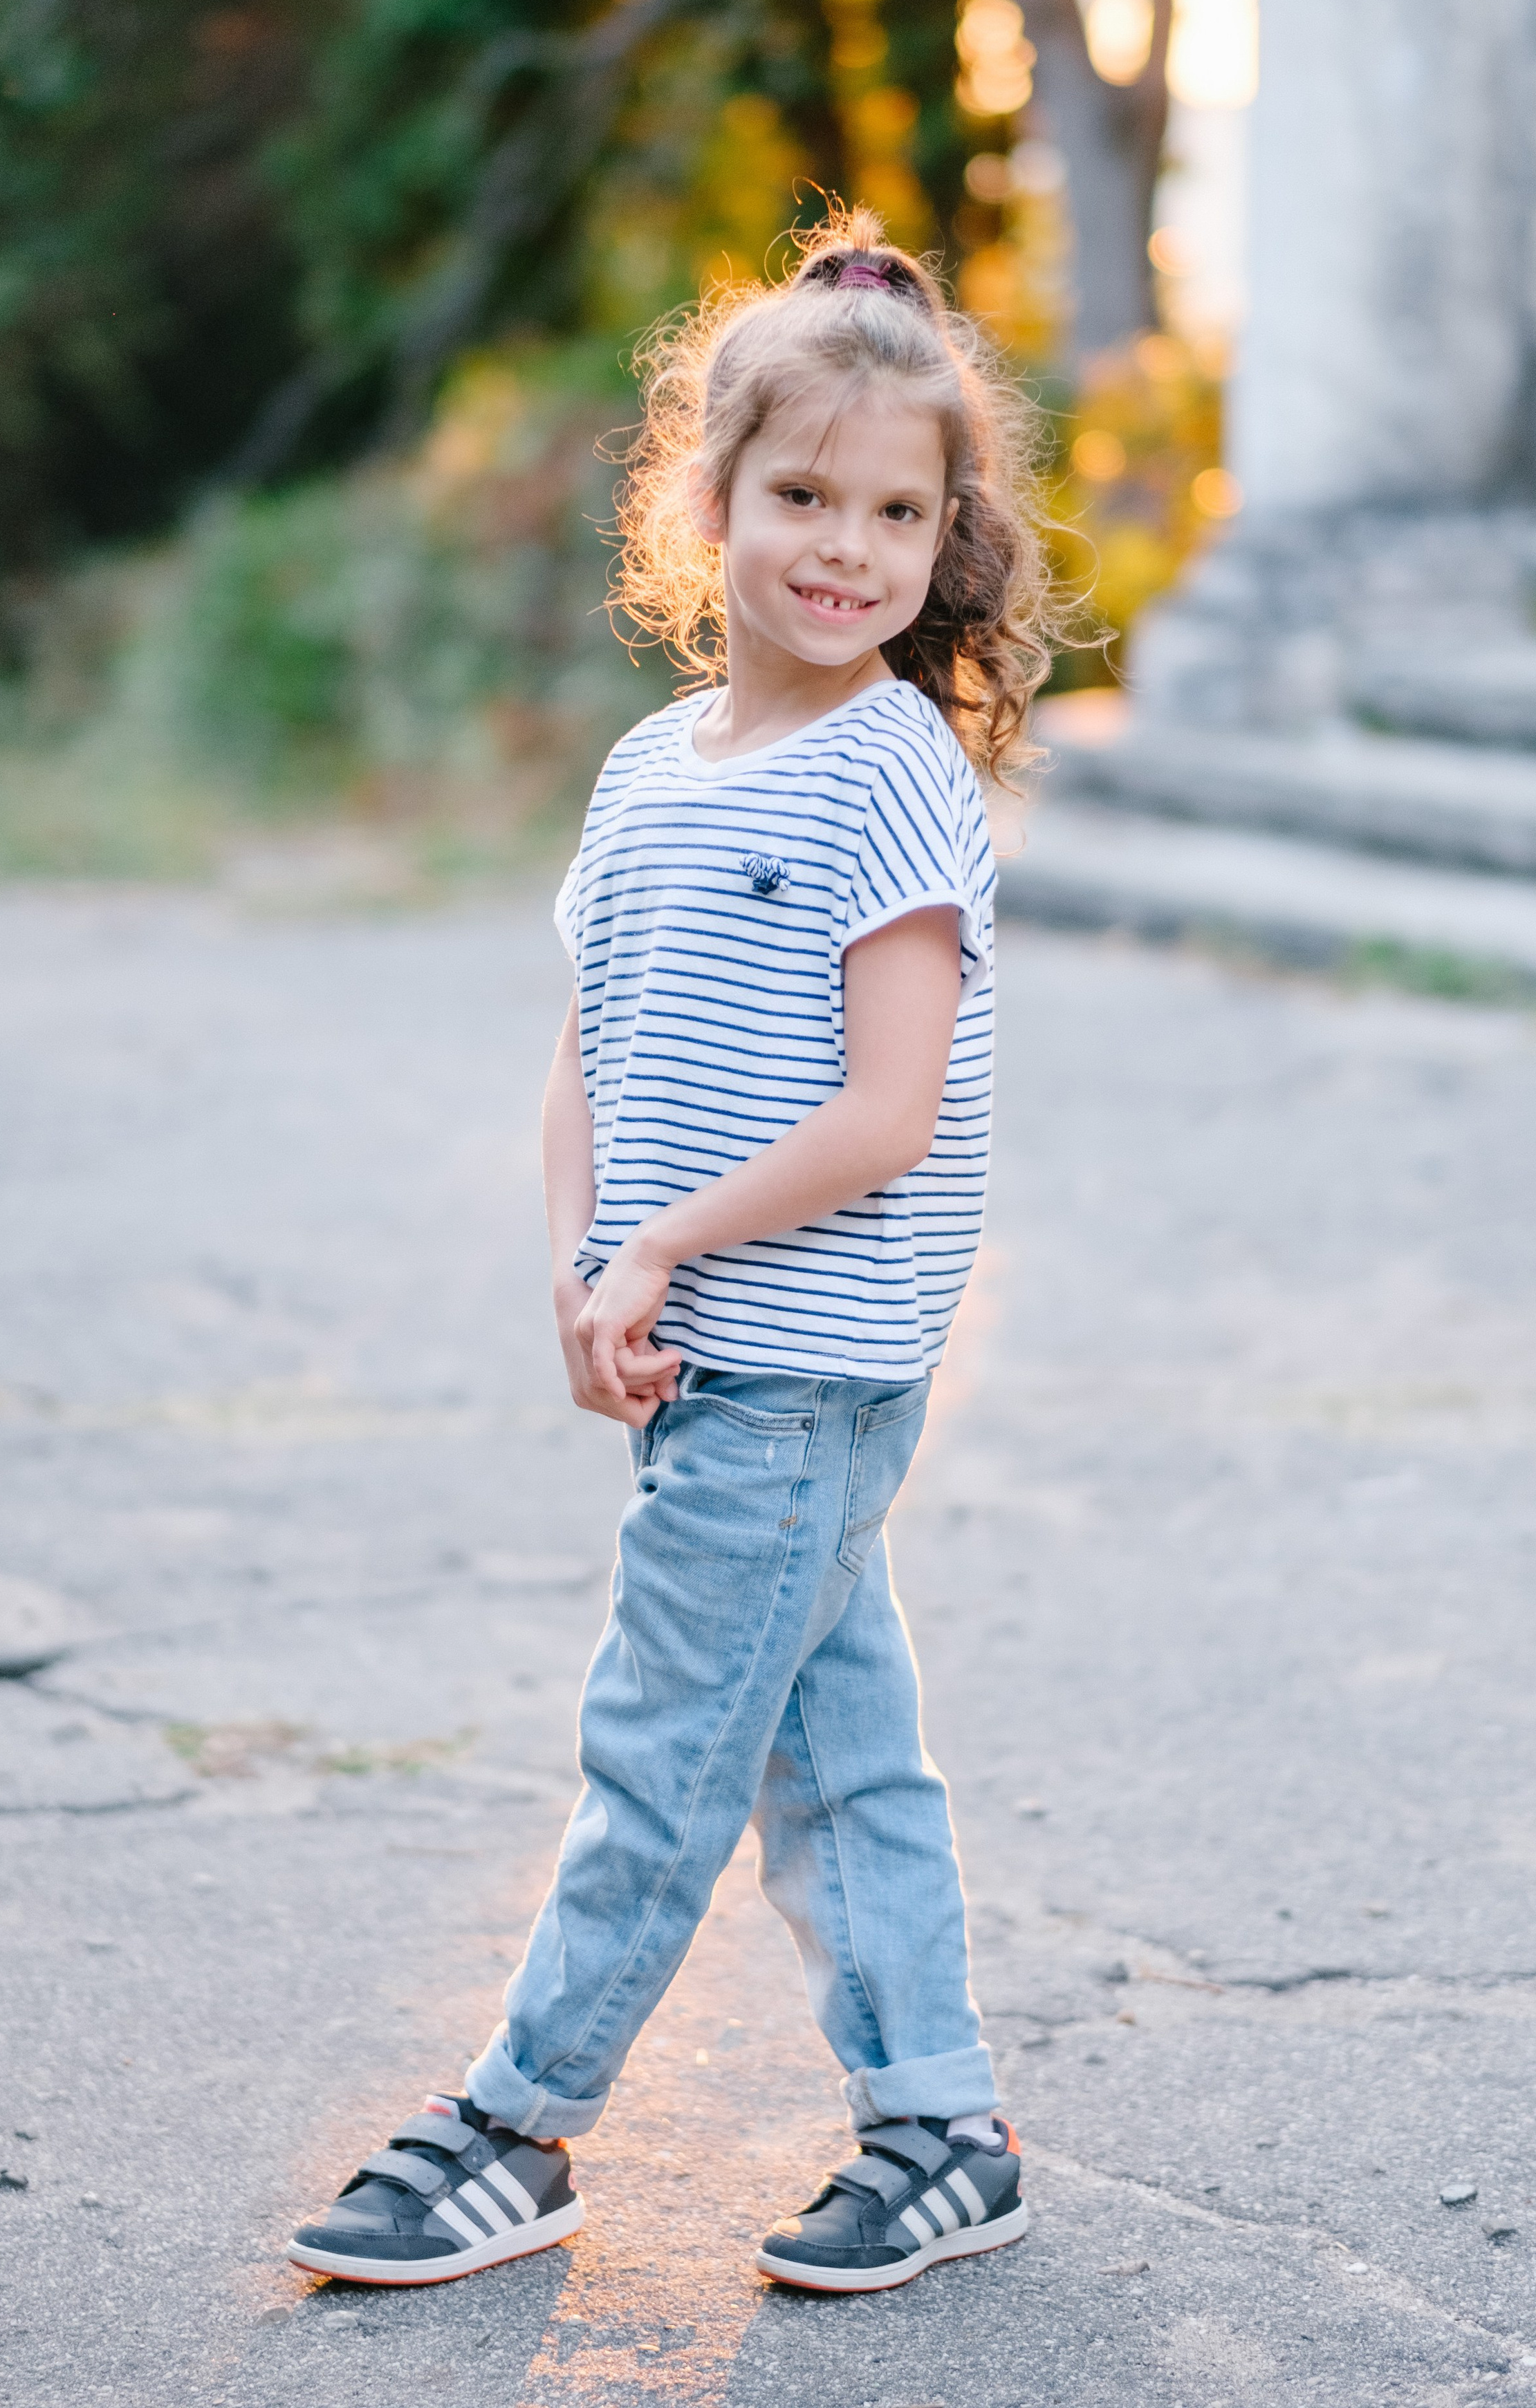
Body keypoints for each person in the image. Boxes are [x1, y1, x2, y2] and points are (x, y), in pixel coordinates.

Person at [288, 209, 1061, 2296]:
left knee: (666, 1753)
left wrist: (665, 1256)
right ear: (702, 500)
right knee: (833, 1753)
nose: (848, 547)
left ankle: (515, 2127)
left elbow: (885, 1114)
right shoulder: (652, 776)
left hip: (804, 1354)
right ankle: (943, 2130)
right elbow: (591, 1055)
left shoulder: (894, 776)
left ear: (944, 539)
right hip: (694, 1341)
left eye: (899, 510)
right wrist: (582, 1266)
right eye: (802, 495)